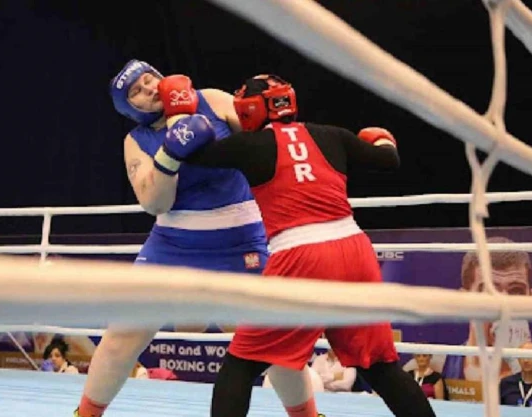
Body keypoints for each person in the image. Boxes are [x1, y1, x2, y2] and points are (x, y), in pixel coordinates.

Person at [162, 74, 436, 417]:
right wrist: (381, 138)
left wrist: (180, 116)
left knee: (241, 365)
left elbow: (191, 153)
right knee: (380, 366)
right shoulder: (331, 134)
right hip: (354, 250)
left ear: (250, 109)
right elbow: (388, 159)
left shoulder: (250, 145)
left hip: (301, 256)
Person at [73, 60, 269, 417]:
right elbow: (155, 203)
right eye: (136, 91)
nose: (148, 89)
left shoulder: (211, 100)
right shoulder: (136, 142)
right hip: (173, 244)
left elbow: (265, 145)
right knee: (121, 337)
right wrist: (170, 152)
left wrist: (261, 110)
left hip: (240, 238)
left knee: (272, 340)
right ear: (129, 109)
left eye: (149, 80)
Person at [441, 237, 532, 390]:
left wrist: (518, 364)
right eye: (489, 291)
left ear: (530, 299)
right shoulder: (439, 366)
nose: (504, 306)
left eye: (516, 291)